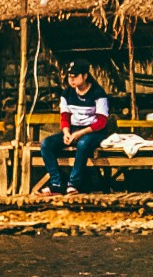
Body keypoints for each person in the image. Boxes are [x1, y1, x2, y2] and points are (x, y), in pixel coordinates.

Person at [41, 62, 113, 195]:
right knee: (46, 144)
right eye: (70, 77)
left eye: (75, 76)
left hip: (94, 131)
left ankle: (74, 183)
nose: (72, 80)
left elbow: (101, 121)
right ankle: (56, 182)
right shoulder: (67, 93)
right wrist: (66, 132)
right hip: (73, 130)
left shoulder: (98, 92)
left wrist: (81, 133)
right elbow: (64, 116)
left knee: (83, 143)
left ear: (85, 76)